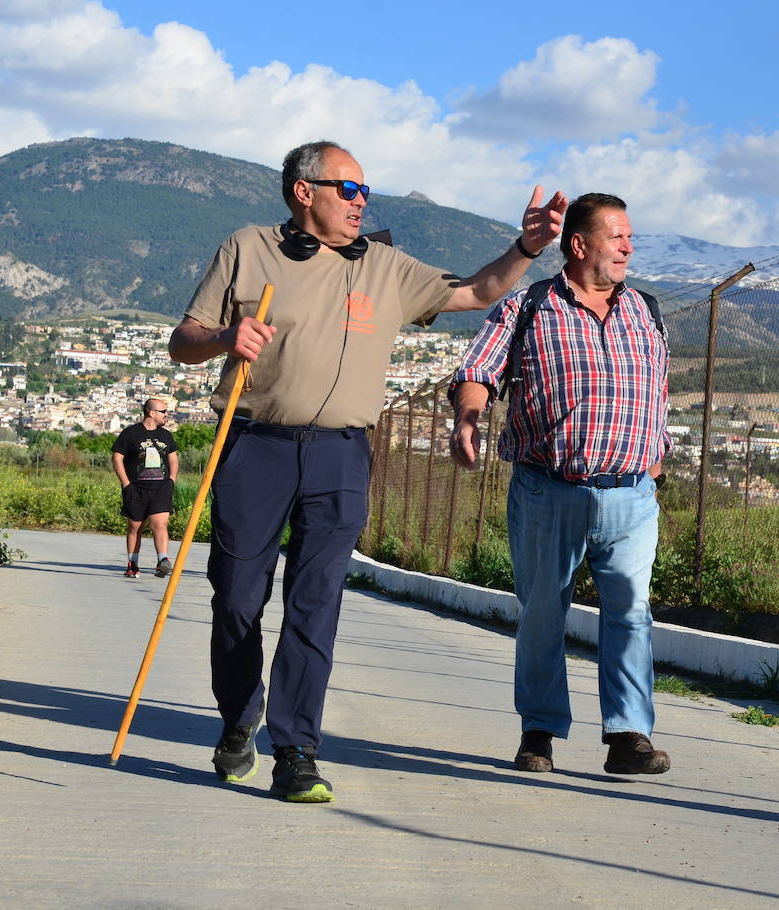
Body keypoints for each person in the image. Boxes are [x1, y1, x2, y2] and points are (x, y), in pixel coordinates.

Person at [169, 139, 566, 803]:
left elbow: (475, 290)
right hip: (253, 445)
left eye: (364, 192)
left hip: (342, 454)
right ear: (304, 191)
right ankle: (239, 715)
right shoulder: (246, 248)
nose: (361, 202)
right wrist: (222, 339)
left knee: (315, 605)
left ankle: (297, 751)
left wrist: (526, 249)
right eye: (347, 190)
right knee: (236, 598)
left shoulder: (384, 266)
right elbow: (183, 341)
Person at [448, 193, 672, 776]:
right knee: (544, 613)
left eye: (630, 238)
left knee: (631, 613)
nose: (628, 247)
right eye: (617, 237)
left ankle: (628, 736)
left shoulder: (647, 310)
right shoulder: (530, 307)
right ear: (579, 245)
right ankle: (539, 732)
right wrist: (468, 418)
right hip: (549, 490)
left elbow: (659, 391)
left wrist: (656, 457)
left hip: (632, 495)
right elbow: (477, 371)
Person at [111, 399, 179, 578]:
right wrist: (126, 483)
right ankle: (132, 564)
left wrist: (171, 480)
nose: (166, 414)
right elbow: (117, 458)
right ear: (152, 413)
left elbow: (173, 459)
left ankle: (162, 561)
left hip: (161, 488)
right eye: (163, 411)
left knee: (160, 524)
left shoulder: (166, 435)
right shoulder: (130, 434)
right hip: (136, 488)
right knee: (135, 527)